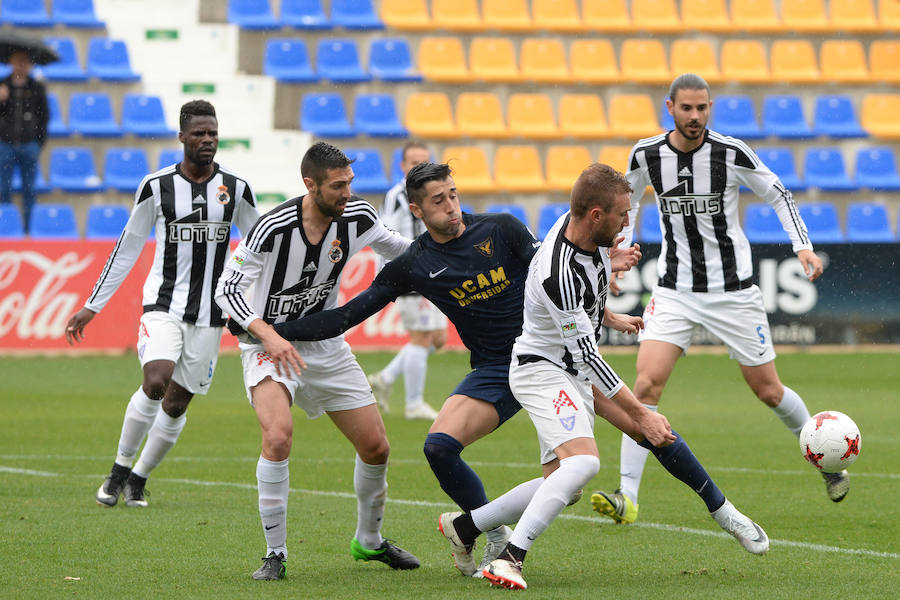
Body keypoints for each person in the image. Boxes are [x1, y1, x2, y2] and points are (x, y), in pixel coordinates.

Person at [267, 162, 765, 583]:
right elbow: (347, 316)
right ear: (416, 211)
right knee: (440, 447)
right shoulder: (414, 264)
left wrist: (603, 311)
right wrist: (271, 327)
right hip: (500, 367)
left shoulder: (500, 228)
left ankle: (728, 515)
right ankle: (496, 538)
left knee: (640, 432)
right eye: (437, 200)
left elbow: (555, 281)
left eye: (454, 194)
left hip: (553, 355)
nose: (451, 206)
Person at [441, 164, 769, 591]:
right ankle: (510, 558)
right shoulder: (557, 272)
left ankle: (466, 528)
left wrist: (609, 316)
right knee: (588, 460)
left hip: (569, 366)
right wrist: (639, 412)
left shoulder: (585, 231)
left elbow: (581, 307)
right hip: (542, 371)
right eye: (621, 214)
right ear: (595, 214)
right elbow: (589, 356)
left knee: (569, 478)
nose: (626, 222)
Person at [591, 73, 836, 529]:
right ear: (671, 108)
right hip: (675, 290)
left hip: (734, 292)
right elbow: (628, 203)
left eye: (703, 107)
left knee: (769, 391)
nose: (696, 116)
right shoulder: (647, 153)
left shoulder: (730, 152)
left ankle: (827, 458)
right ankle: (627, 495)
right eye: (687, 108)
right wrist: (613, 259)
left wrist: (801, 245)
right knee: (644, 387)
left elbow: (777, 192)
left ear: (710, 107)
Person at [214, 142, 419, 581]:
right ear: (310, 184)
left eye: (349, 183)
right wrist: (270, 335)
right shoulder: (272, 228)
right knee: (278, 437)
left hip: (325, 345)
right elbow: (226, 291)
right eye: (337, 185)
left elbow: (399, 249)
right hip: (267, 345)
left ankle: (369, 542)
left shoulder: (358, 217)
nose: (347, 192)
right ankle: (275, 554)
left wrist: (450, 250)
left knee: (377, 447)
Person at [65, 100, 260, 508]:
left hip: (211, 314)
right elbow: (129, 245)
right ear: (182, 137)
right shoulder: (157, 186)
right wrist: (93, 304)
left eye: (213, 133)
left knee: (177, 402)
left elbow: (260, 246)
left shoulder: (236, 189)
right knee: (156, 382)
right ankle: (118, 472)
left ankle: (139, 478)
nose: (207, 140)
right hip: (163, 304)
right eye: (199, 133)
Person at [367, 141, 446, 420]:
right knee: (422, 337)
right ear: (402, 166)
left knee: (438, 338)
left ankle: (385, 378)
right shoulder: (397, 195)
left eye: (424, 162)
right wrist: (388, 274)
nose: (419, 167)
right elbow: (384, 234)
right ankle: (413, 404)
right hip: (412, 271)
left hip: (434, 271)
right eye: (413, 162)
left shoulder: (435, 192)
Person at [0, 50, 48, 232]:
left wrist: (38, 143)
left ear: (29, 64)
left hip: (29, 145)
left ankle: (28, 229)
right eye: (17, 61)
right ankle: (5, 228)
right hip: (5, 145)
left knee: (29, 191)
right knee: (4, 189)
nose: (20, 65)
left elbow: (44, 117)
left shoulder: (37, 87)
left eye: (24, 61)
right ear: (11, 62)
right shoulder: (2, 85)